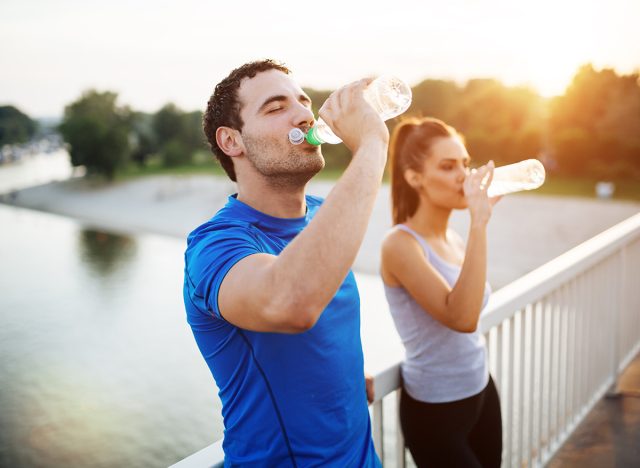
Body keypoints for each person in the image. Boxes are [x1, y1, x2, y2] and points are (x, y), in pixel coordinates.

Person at [183, 59, 388, 466]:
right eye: (276, 108)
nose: (303, 114)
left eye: (303, 101)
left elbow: (321, 338)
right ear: (231, 142)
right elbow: (290, 302)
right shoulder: (213, 246)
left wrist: (343, 378)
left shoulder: (321, 214)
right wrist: (372, 144)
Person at [380, 117, 503, 467]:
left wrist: (475, 227)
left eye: (465, 163)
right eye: (448, 167)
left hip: (480, 388)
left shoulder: (453, 239)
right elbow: (462, 317)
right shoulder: (400, 245)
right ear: (414, 177)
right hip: (436, 409)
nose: (464, 176)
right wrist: (479, 222)